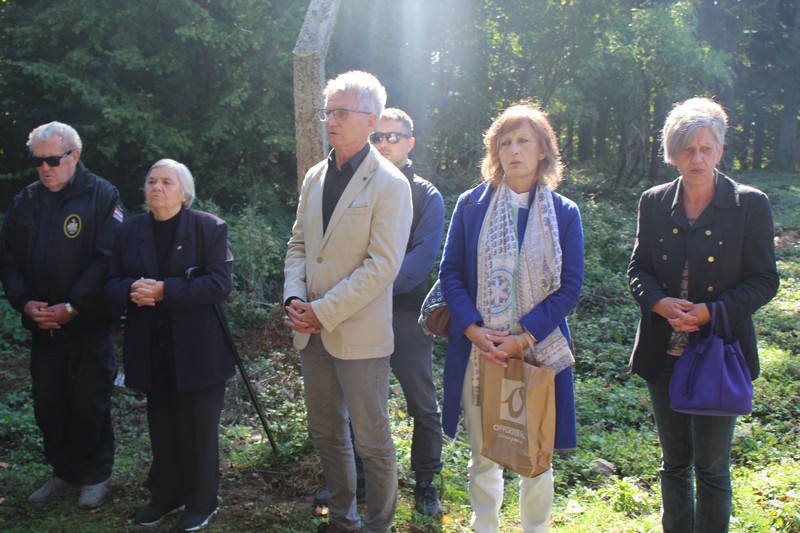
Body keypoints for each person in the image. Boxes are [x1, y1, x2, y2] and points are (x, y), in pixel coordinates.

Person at [627, 97, 779, 532]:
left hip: (720, 354)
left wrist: (713, 311)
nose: (697, 158)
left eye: (705, 149)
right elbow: (639, 269)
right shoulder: (654, 202)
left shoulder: (750, 204)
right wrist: (659, 302)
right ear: (672, 154)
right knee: (674, 463)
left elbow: (765, 279)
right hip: (665, 353)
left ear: (720, 150)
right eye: (687, 150)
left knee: (712, 467)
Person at [438, 103, 583, 533]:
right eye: (505, 143)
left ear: (543, 151)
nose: (514, 151)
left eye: (524, 141)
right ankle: (484, 525)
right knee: (484, 452)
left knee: (536, 451)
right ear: (495, 152)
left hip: (538, 348)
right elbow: (450, 272)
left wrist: (523, 338)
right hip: (480, 350)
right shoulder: (471, 205)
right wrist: (473, 329)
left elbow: (569, 287)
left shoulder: (564, 212)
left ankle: (535, 528)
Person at [284, 71, 412, 533]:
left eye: (341, 112)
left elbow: (382, 266)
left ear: (371, 119)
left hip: (358, 334)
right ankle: (343, 520)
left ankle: (379, 525)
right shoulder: (315, 176)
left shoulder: (390, 183)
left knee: (372, 439)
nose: (330, 121)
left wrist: (324, 310)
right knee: (325, 431)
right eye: (328, 112)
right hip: (310, 329)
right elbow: (300, 245)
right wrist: (294, 296)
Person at [314, 108, 446, 516]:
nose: (385, 144)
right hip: (355, 311)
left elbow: (419, 262)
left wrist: (368, 290)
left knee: (422, 402)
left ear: (410, 143)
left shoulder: (426, 195)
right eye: (378, 137)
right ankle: (359, 482)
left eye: (394, 137)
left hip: (405, 314)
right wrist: (351, 297)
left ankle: (426, 481)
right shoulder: (356, 185)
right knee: (356, 402)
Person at [105, 159, 235, 531]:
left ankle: (202, 502)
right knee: (162, 428)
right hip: (152, 347)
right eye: (151, 181)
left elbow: (220, 284)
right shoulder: (128, 231)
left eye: (166, 182)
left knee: (198, 432)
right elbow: (109, 283)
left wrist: (166, 291)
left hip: (199, 350)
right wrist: (132, 289)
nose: (157, 188)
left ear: (184, 193)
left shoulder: (208, 227)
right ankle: (165, 496)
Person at [0, 122, 123, 510]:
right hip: (43, 325)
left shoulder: (102, 195)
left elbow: (107, 258)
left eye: (53, 160)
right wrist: (24, 302)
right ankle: (65, 472)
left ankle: (96, 474)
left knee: (90, 400)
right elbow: (9, 258)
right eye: (38, 161)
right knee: (49, 402)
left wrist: (74, 306)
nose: (45, 168)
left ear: (74, 155)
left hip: (87, 322)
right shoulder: (26, 200)